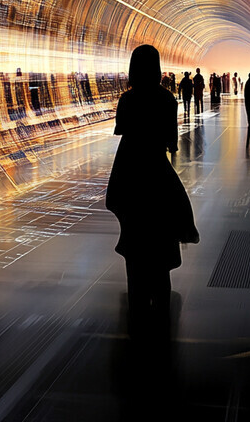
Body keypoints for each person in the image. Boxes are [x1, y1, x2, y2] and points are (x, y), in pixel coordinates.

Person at [105, 45, 199, 337]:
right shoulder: (166, 99)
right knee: (161, 248)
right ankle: (161, 319)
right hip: (157, 174)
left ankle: (137, 316)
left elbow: (121, 130)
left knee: (134, 250)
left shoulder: (128, 99)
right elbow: (171, 143)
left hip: (129, 172)